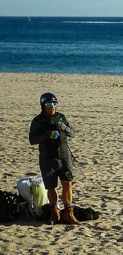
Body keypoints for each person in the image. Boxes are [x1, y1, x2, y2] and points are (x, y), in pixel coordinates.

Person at [28, 92, 79, 224]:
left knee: (67, 183)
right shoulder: (38, 121)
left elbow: (72, 133)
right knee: (51, 187)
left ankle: (68, 211)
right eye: (49, 104)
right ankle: (54, 212)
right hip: (48, 159)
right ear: (43, 105)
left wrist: (62, 127)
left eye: (54, 104)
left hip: (64, 157)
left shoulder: (61, 117)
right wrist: (47, 135)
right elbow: (32, 139)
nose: (52, 107)